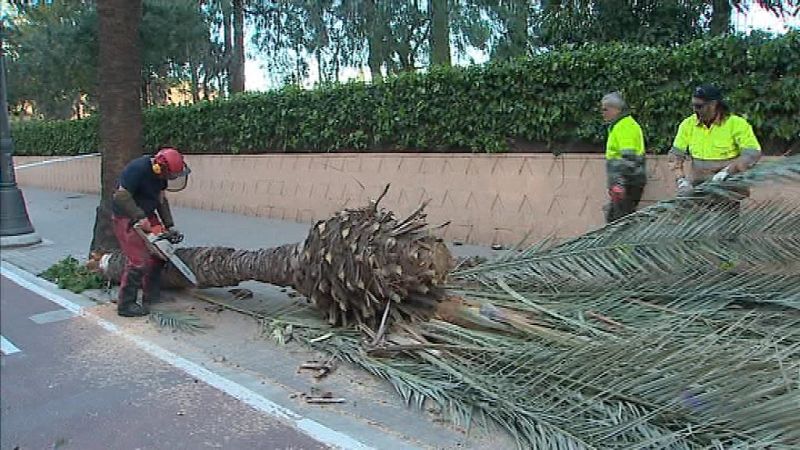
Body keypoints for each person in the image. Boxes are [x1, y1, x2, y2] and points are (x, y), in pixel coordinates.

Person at [111, 147, 190, 317]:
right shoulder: (137, 169)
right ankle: (126, 304)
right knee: (138, 261)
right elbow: (121, 196)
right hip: (127, 216)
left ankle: (151, 295)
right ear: (160, 167)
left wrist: (169, 225)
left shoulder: (161, 176)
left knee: (160, 253)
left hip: (148, 214)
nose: (170, 179)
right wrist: (139, 217)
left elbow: (161, 200)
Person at [669, 84, 761, 203]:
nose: (695, 109)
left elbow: (752, 153)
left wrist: (728, 171)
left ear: (713, 104)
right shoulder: (688, 125)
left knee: (726, 220)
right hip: (699, 190)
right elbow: (676, 155)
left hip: (727, 189)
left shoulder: (736, 124)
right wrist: (681, 180)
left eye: (699, 106)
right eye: (693, 105)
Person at [601, 92, 647, 223]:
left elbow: (629, 160)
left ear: (616, 109)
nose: (603, 113)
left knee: (619, 223)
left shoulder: (625, 127)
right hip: (625, 183)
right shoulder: (620, 126)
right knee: (618, 221)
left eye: (605, 109)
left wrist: (619, 184)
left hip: (627, 184)